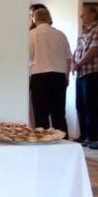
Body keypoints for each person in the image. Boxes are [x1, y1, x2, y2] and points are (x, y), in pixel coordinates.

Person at [28, 8, 71, 137]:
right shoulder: (60, 34)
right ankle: (63, 141)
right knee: (59, 113)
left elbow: (28, 56)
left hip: (39, 76)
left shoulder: (32, 34)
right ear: (48, 18)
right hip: (59, 76)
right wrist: (67, 76)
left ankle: (43, 143)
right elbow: (68, 58)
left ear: (34, 19)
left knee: (41, 114)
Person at [73, 5, 98, 148]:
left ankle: (92, 136)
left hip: (91, 72)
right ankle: (83, 135)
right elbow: (77, 51)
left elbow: (94, 51)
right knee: (80, 105)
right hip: (80, 73)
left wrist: (78, 63)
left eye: (84, 14)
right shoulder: (84, 32)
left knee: (90, 105)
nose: (81, 16)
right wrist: (73, 63)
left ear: (93, 14)